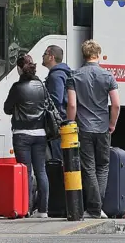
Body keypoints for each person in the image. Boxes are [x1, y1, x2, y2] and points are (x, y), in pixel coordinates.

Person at [67, 39, 120, 219]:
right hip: (103, 128)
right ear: (98, 55)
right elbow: (116, 105)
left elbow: (72, 105)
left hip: (84, 128)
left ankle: (94, 209)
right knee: (103, 167)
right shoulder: (108, 76)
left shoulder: (74, 76)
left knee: (88, 168)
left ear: (84, 55)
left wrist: (70, 123)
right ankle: (97, 208)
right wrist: (111, 123)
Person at [3, 54, 48, 218]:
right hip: (41, 134)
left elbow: (7, 109)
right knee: (41, 171)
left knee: (26, 172)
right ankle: (43, 210)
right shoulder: (41, 86)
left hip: (22, 135)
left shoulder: (17, 87)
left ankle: (26, 208)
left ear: (19, 69)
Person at [42, 45, 72, 160]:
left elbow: (56, 101)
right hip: (63, 122)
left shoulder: (55, 76)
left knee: (57, 159)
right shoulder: (62, 73)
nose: (43, 56)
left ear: (51, 57)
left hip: (57, 125)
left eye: (45, 54)